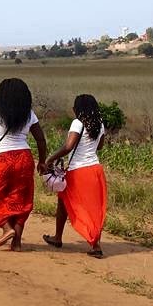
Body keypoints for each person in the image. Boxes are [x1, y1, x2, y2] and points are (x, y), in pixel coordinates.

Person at [0, 78, 48, 251]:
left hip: (2, 159)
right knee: (20, 200)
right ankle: (16, 242)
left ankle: (6, 227)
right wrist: (42, 161)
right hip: (24, 159)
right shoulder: (29, 114)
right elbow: (41, 140)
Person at [42, 94, 108, 258]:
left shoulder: (78, 123)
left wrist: (50, 159)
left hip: (78, 171)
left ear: (77, 109)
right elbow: (99, 146)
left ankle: (93, 245)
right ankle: (62, 238)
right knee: (89, 206)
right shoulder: (99, 124)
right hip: (95, 169)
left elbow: (68, 146)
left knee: (75, 205)